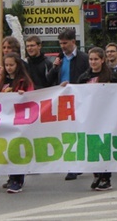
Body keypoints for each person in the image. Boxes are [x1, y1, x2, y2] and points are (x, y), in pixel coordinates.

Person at [76, 47, 117, 191]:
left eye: (96, 59)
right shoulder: (84, 77)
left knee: (105, 146)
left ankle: (105, 177)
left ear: (102, 60)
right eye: (91, 59)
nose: (93, 62)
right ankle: (96, 173)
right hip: (91, 117)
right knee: (92, 146)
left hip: (107, 117)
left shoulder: (112, 77)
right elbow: (77, 94)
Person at [47, 28, 89, 180]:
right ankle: (72, 165)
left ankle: (78, 163)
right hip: (64, 101)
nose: (63, 46)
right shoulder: (59, 59)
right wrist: (55, 67)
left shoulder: (84, 58)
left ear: (73, 42)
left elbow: (88, 76)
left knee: (79, 132)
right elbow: (49, 80)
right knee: (67, 133)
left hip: (79, 100)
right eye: (60, 43)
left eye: (65, 43)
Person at [0, 53, 35, 193]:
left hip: (19, 120)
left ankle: (17, 179)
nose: (9, 68)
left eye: (11, 65)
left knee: (17, 148)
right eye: (6, 65)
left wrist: (23, 96)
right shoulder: (2, 81)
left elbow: (32, 98)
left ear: (18, 65)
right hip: (6, 119)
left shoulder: (25, 81)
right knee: (8, 148)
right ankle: (11, 177)